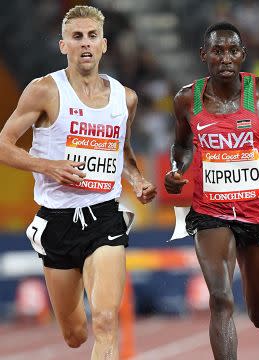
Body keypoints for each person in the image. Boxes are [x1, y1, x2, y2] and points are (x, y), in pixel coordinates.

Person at [0, 5, 157, 359]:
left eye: (91, 37)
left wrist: (137, 179)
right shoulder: (44, 91)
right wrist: (48, 166)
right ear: (63, 46)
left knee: (104, 320)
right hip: (57, 222)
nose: (85, 44)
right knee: (75, 335)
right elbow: (3, 145)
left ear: (103, 45)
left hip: (103, 215)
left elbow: (123, 151)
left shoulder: (125, 97)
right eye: (76, 37)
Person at [164, 22, 259, 359]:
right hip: (210, 211)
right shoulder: (187, 99)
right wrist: (177, 169)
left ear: (243, 55)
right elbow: (182, 147)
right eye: (218, 51)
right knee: (221, 299)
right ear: (205, 56)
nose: (225, 58)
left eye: (232, 51)